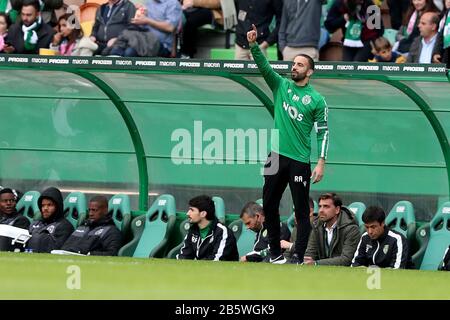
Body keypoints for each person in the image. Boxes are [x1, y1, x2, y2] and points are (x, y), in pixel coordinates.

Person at [247, 24, 329, 264]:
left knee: (301, 212)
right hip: (275, 156)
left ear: (310, 72)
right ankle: (274, 254)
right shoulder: (281, 85)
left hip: (300, 161)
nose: (294, 67)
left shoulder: (317, 100)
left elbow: (324, 132)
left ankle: (296, 256)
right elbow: (264, 67)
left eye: (300, 64)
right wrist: (253, 45)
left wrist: (321, 162)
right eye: (293, 64)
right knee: (269, 205)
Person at [302, 193, 361, 266]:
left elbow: (346, 260)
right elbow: (310, 253)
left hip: (344, 274)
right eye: (320, 206)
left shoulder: (351, 229)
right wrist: (307, 261)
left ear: (337, 210)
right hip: (322, 272)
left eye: (326, 206)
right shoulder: (317, 225)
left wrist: (316, 263)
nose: (321, 210)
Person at [177, 195, 238, 261]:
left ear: (203, 214)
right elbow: (184, 256)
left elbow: (217, 259)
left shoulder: (222, 231)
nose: (188, 213)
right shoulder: (193, 230)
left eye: (192, 210)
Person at [26, 187, 74, 253]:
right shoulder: (34, 224)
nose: (45, 208)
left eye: (49, 205)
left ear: (57, 206)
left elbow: (58, 251)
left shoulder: (65, 226)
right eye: (43, 205)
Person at [432, 0, 450, 67]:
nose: (448, 1)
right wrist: (437, 51)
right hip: (447, 54)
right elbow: (441, 34)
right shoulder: (447, 13)